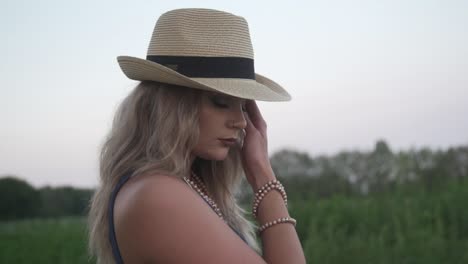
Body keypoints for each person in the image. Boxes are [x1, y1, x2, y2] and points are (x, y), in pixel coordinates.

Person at [88, 8, 306, 264]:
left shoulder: (174, 185)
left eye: (244, 106)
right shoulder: (158, 195)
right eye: (220, 101)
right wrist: (263, 175)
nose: (240, 121)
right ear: (172, 104)